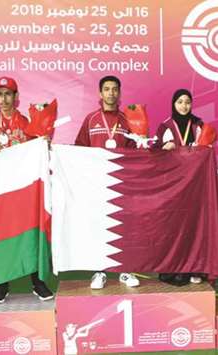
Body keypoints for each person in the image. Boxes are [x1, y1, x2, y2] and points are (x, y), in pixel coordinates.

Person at [0, 76, 54, 303]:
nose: (4, 99)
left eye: (8, 94)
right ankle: (2, 284)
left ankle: (37, 282)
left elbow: (40, 153)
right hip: (1, 191)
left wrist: (45, 142)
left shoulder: (27, 122)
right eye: (0, 94)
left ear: (16, 97)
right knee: (2, 238)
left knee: (30, 236)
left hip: (24, 191)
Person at [74, 75, 140, 289]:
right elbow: (79, 149)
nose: (111, 93)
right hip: (96, 183)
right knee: (99, 226)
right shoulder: (91, 119)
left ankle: (125, 270)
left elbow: (134, 151)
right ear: (99, 93)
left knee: (123, 226)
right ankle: (99, 271)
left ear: (119, 93)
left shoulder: (128, 120)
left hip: (121, 182)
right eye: (107, 89)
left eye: (114, 89)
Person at [155, 89, 205, 286]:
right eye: (180, 102)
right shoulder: (165, 126)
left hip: (194, 185)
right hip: (172, 186)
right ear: (173, 104)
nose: (184, 106)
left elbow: (205, 151)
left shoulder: (199, 126)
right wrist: (161, 147)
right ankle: (171, 268)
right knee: (173, 227)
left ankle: (192, 268)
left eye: (187, 102)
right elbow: (155, 153)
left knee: (192, 227)